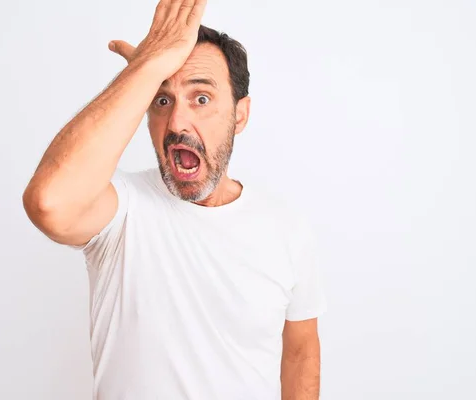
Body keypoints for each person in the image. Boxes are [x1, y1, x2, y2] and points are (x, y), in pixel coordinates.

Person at [23, 0, 326, 398]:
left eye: (201, 99)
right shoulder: (122, 210)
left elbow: (301, 352)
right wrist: (144, 70)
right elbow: (50, 202)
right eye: (162, 101)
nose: (177, 123)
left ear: (240, 115)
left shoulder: (287, 229)